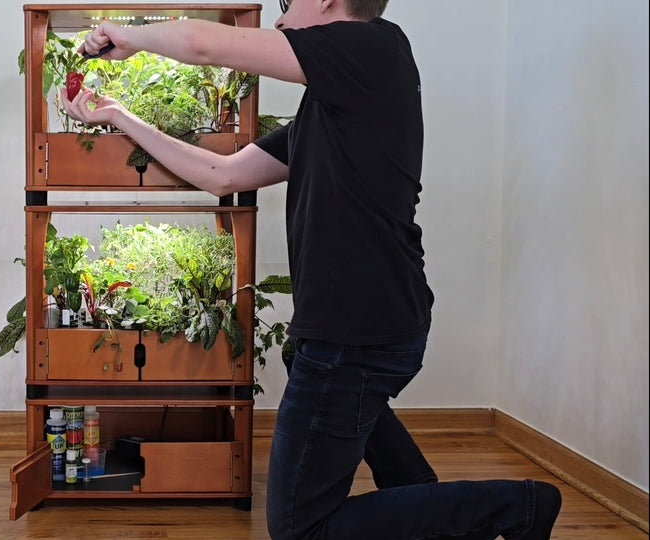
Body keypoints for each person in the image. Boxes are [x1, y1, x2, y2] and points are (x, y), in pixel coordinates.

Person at [60, 1, 563, 539]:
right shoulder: (332, 104)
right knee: (322, 380)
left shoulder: (374, 47)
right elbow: (223, 174)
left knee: (300, 528)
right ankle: (427, 496)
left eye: (287, 3)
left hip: (357, 331)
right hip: (366, 324)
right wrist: (117, 114)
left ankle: (517, 508)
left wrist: (127, 34)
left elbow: (205, 45)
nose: (279, 19)